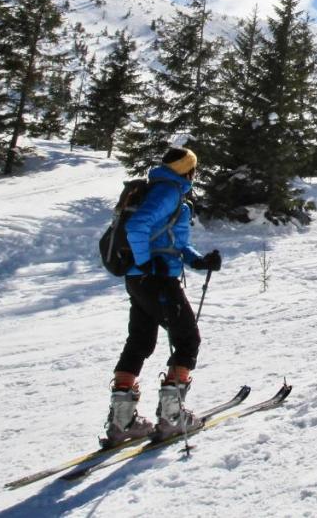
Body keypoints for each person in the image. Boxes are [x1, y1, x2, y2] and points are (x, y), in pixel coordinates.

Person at [104, 147, 223, 446]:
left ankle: (122, 423)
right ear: (187, 170)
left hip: (139, 279)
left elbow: (176, 241)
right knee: (187, 340)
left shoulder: (166, 192)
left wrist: (198, 261)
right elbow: (137, 226)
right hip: (154, 277)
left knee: (140, 342)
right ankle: (171, 418)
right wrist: (145, 262)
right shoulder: (167, 192)